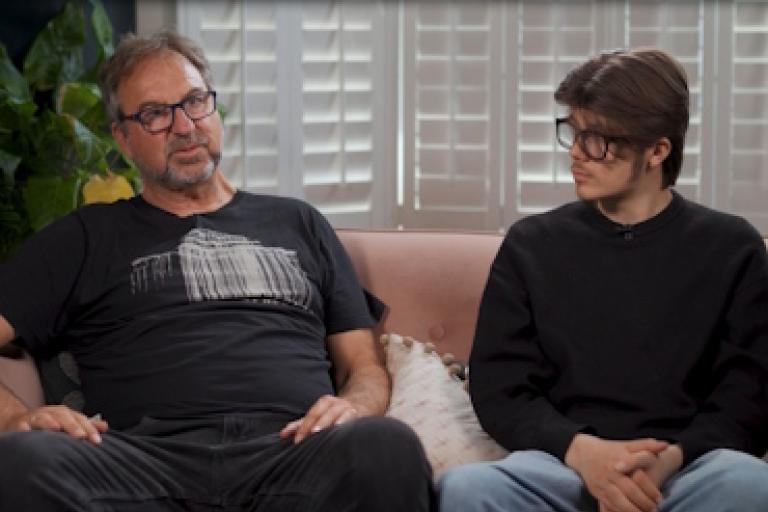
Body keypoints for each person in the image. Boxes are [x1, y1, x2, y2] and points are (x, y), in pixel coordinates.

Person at [0, 30, 433, 511]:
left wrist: (353, 405)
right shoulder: (82, 237)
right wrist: (15, 417)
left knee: (388, 448)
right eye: (155, 114)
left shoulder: (299, 223)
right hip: (144, 463)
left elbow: (364, 365)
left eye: (195, 101)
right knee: (23, 460)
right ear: (122, 139)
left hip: (291, 452)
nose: (184, 127)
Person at [438, 48, 768, 512]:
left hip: (686, 470)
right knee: (468, 490)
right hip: (563, 467)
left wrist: (669, 460)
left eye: (598, 140)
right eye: (573, 132)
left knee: (752, 485)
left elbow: (749, 398)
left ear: (658, 150)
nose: (576, 152)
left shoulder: (732, 247)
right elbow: (501, 389)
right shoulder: (531, 244)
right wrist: (583, 452)